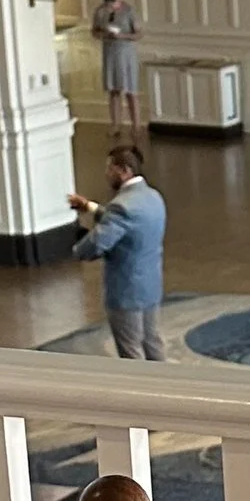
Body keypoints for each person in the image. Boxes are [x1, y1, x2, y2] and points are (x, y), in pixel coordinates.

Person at [69, 142, 168, 360]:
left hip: (126, 291)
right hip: (150, 286)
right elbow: (126, 222)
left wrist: (76, 248)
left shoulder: (122, 206)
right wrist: (90, 207)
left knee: (130, 350)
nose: (106, 174)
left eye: (109, 168)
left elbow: (96, 244)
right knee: (152, 343)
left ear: (123, 171)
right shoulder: (153, 197)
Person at [91, 0, 140, 137]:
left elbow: (139, 33)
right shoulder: (100, 11)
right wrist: (104, 34)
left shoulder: (128, 11)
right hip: (110, 53)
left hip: (126, 54)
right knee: (113, 90)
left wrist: (122, 35)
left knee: (131, 91)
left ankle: (136, 125)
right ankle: (115, 125)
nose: (112, 5)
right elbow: (94, 31)